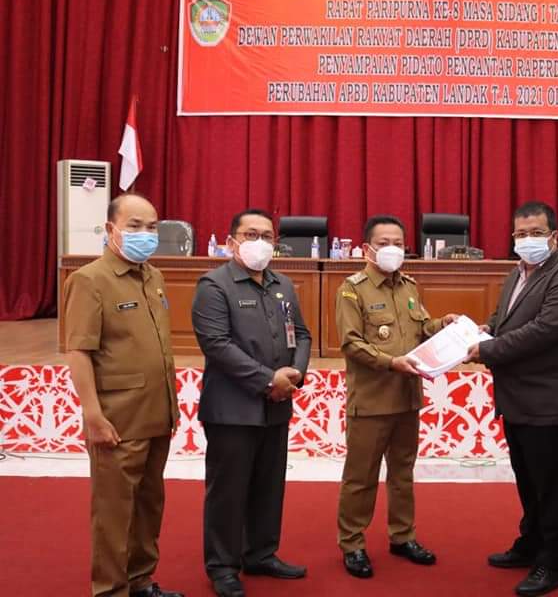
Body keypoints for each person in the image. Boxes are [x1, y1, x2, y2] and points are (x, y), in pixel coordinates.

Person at [63, 193, 182, 597]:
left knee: (149, 505)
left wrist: (171, 407)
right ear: (111, 229)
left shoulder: (154, 276)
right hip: (117, 418)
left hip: (156, 413)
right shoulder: (89, 280)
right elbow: (79, 351)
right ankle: (111, 590)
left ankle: (141, 580)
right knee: (114, 514)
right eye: (134, 226)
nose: (145, 234)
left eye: (152, 227)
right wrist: (93, 415)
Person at [467, 201, 558, 596]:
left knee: (554, 487)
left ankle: (554, 563)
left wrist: (486, 350)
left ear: (553, 236)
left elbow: (544, 331)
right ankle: (531, 542)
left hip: (550, 401)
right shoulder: (515, 273)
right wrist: (482, 331)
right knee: (530, 481)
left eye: (536, 233)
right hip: (517, 399)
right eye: (520, 234)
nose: (527, 240)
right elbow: (504, 320)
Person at [192, 209, 311, 597]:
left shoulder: (283, 284)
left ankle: (260, 553)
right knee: (229, 491)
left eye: (267, 236)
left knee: (268, 485)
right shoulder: (214, 285)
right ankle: (223, 566)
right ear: (231, 242)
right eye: (250, 234)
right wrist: (268, 380)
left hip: (277, 404)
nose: (260, 242)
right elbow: (217, 345)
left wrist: (295, 374)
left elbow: (302, 335)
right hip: (233, 408)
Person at [335, 215, 457, 579]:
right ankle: (352, 544)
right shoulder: (352, 290)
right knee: (361, 477)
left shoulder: (409, 286)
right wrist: (391, 362)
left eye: (399, 244)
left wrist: (442, 325)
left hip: (407, 398)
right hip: (372, 400)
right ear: (367, 249)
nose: (393, 249)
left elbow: (421, 329)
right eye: (384, 243)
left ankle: (402, 536)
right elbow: (351, 343)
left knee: (403, 474)